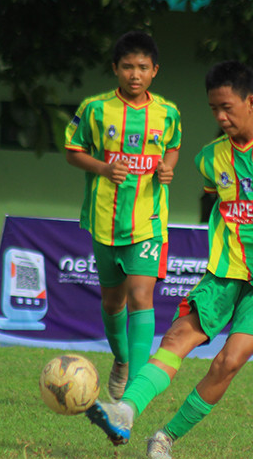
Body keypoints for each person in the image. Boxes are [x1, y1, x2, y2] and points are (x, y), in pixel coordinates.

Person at [85, 60, 253, 459]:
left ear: (251, 101)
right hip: (224, 273)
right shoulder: (209, 159)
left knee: (228, 362)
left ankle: (166, 437)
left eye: (227, 107)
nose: (220, 116)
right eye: (213, 109)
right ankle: (124, 410)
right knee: (176, 338)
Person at [64, 31, 182, 401]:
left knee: (140, 296)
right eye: (128, 66)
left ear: (154, 71)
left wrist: (167, 168)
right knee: (112, 302)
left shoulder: (168, 112)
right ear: (115, 69)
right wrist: (101, 168)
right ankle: (122, 358)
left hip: (148, 222)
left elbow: (173, 147)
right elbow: (72, 150)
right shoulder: (95, 109)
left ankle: (132, 392)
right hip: (104, 221)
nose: (135, 74)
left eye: (142, 67)